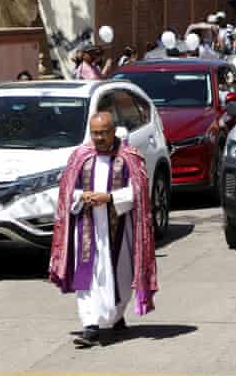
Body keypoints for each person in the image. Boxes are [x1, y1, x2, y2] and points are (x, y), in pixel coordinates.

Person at [48, 112, 157, 348]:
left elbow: (138, 192)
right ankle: (90, 326)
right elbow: (67, 190)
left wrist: (109, 197)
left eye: (103, 133)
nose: (98, 138)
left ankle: (116, 316)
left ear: (113, 131)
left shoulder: (129, 158)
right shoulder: (81, 156)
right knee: (87, 276)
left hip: (119, 229)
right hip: (86, 228)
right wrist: (82, 196)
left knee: (121, 275)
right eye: (94, 133)